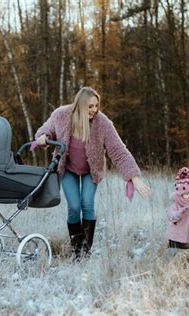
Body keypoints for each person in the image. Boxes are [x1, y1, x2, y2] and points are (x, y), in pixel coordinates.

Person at [35, 87, 150, 260]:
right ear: (80, 105)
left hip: (91, 171)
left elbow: (118, 151)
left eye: (96, 106)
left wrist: (134, 177)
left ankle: (85, 252)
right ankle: (76, 251)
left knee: (87, 204)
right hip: (68, 169)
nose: (94, 110)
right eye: (90, 106)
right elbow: (45, 129)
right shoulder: (61, 115)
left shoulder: (102, 122)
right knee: (74, 207)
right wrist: (42, 137)